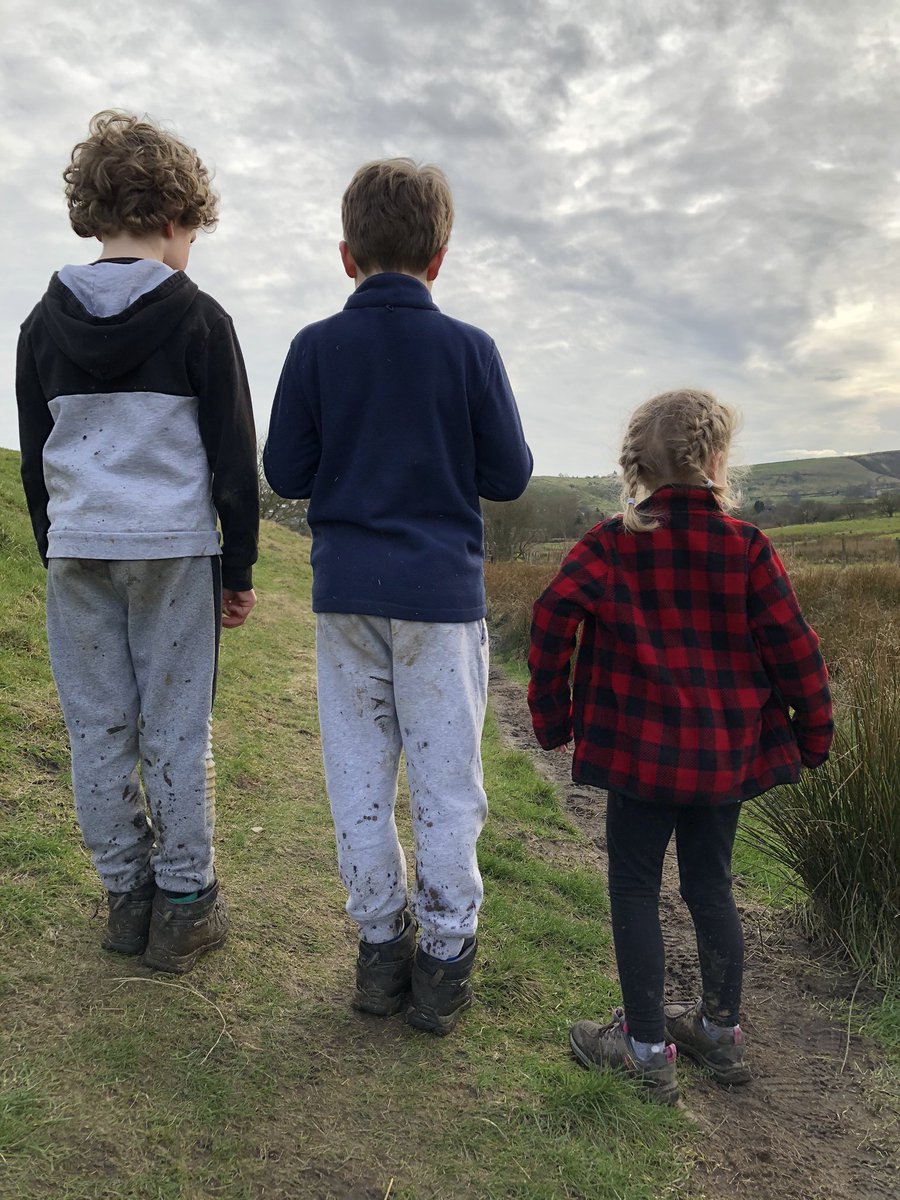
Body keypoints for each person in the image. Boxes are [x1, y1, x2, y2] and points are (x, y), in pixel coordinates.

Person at [264, 158, 532, 1033]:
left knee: (359, 777)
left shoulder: (313, 347)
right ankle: (445, 962)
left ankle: (379, 953)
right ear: (440, 256)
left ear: (347, 255)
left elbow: (284, 471)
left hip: (347, 597)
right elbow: (510, 474)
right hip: (442, 601)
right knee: (448, 783)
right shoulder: (470, 350)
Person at [527, 389, 833, 1102]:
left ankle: (643, 1050)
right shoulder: (748, 548)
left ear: (639, 464)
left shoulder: (610, 542)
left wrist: (555, 717)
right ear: (717, 461)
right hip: (722, 757)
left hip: (638, 754)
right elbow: (797, 650)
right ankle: (720, 1034)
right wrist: (813, 733)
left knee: (634, 887)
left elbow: (550, 617)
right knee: (709, 884)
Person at [16, 110, 259, 974]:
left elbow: (36, 460)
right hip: (171, 550)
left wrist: (55, 550)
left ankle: (126, 897)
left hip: (79, 548)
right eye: (192, 231)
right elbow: (235, 458)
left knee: (96, 728)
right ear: (171, 220)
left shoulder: (41, 325)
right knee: (176, 728)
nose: (191, 247)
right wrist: (239, 568)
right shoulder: (200, 320)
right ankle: (184, 904)